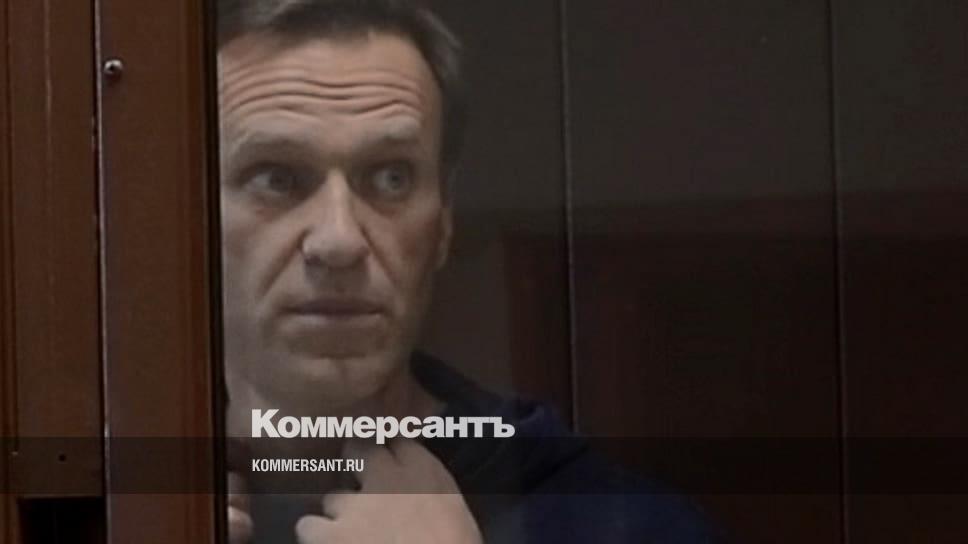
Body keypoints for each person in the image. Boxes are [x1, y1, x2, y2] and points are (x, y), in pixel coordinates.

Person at [218, 1, 724, 542]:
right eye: (276, 179)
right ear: (186, 221)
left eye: (391, 178)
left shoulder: (622, 527)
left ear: (444, 220)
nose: (339, 240)